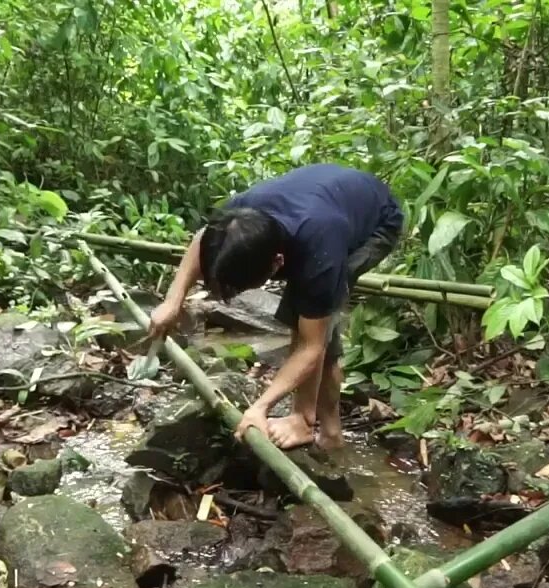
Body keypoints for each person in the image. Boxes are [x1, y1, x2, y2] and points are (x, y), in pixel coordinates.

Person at [147, 163, 404, 450]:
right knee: (311, 324)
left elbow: (311, 346)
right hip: (325, 198)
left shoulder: (320, 251)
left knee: (315, 328)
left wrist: (260, 407)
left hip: (376, 221)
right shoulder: (239, 218)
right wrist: (173, 300)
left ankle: (304, 421)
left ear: (278, 264)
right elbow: (202, 239)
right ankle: (330, 432)